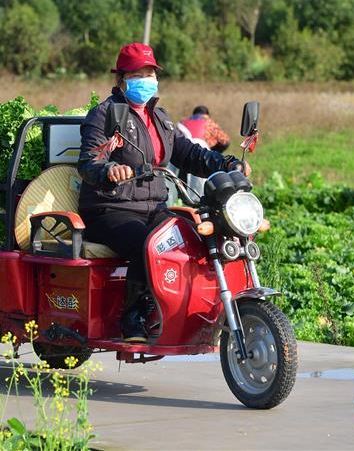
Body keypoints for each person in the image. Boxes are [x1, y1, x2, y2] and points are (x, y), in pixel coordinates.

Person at [76, 43, 249, 343]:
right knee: (151, 244)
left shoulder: (160, 118)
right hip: (110, 209)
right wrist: (108, 172)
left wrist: (227, 163)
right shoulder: (104, 115)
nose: (147, 79)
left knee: (192, 238)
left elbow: (190, 154)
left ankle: (184, 310)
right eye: (139, 74)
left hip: (153, 209)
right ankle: (134, 317)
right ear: (121, 79)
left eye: (150, 73)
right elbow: (89, 162)